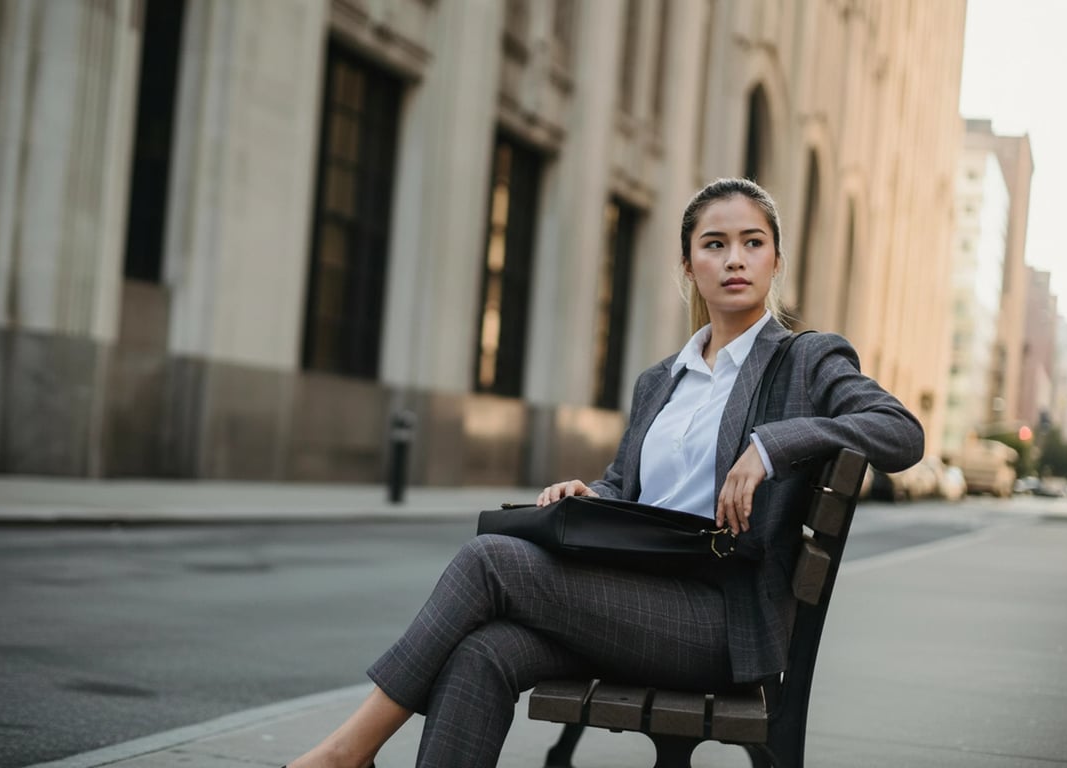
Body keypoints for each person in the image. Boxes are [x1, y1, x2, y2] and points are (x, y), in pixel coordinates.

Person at [281, 178, 924, 768]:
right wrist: (593, 495)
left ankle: (345, 754)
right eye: (715, 244)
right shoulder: (661, 380)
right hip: (629, 601)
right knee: (484, 653)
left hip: (716, 623)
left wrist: (772, 444)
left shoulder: (805, 361)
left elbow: (901, 432)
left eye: (753, 243)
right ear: (688, 266)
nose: (735, 259)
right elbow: (630, 490)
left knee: (489, 561)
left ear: (776, 261)